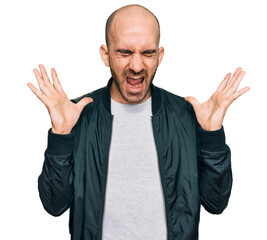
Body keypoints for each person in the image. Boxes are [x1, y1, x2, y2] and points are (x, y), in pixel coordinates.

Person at [27, 4, 249, 240]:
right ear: (105, 54)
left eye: (147, 53)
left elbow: (216, 203)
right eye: (124, 52)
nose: (136, 66)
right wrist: (61, 135)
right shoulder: (77, 116)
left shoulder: (186, 116)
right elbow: (54, 205)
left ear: (160, 56)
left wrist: (212, 137)